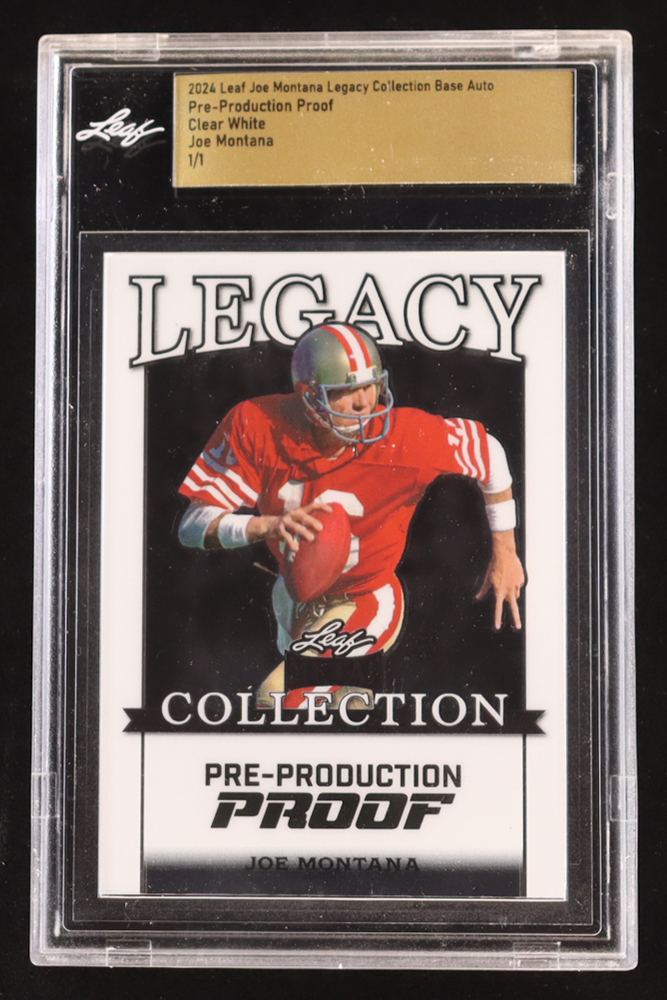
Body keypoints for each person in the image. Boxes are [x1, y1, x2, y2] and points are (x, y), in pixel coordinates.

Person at [178, 323, 525, 708]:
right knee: (345, 708)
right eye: (345, 390)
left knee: (279, 700)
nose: (364, 403)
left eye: (370, 385)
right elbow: (191, 527)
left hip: (365, 597)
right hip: (294, 598)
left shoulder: (405, 438)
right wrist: (264, 526)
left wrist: (506, 553)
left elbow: (490, 455)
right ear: (309, 396)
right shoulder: (258, 424)